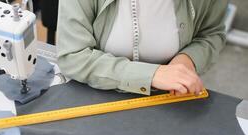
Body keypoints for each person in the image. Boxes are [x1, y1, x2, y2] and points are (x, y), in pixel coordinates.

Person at [56, 0, 228, 96]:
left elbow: (212, 32)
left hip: (170, 97)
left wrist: (188, 59)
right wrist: (150, 75)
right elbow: (73, 54)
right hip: (94, 91)